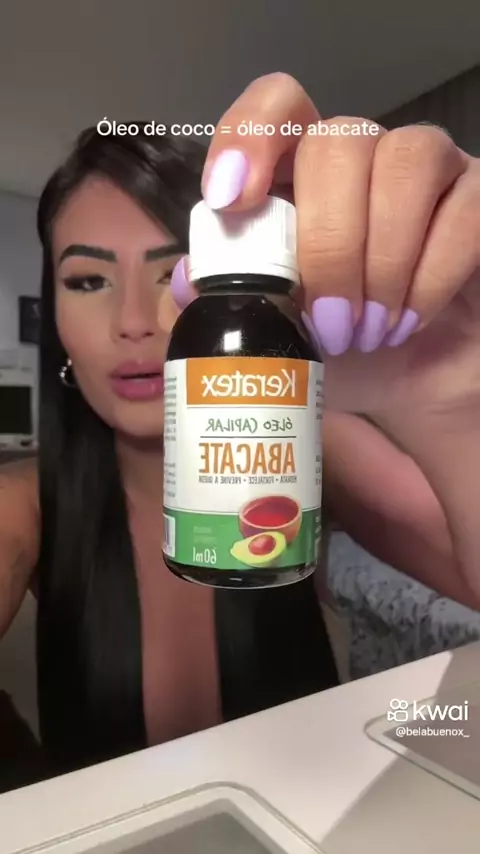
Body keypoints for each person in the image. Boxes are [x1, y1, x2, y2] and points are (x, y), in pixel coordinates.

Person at [0, 72, 478, 776]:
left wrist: (452, 397)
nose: (134, 322)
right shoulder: (25, 502)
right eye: (88, 281)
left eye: (170, 274)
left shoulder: (310, 448)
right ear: (55, 315)